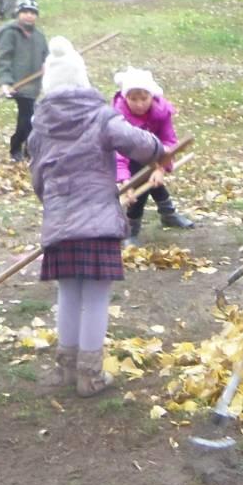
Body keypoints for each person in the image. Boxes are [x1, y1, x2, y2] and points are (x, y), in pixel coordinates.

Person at [28, 37, 169, 396]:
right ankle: (89, 376)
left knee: (68, 294)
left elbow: (37, 176)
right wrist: (157, 149)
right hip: (97, 223)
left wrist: (55, 203)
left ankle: (66, 368)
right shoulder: (100, 116)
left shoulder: (40, 125)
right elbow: (138, 143)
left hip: (60, 222)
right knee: (94, 298)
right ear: (82, 81)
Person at [112, 66, 193, 236]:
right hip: (129, 157)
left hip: (156, 155)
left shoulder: (161, 113)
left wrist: (161, 168)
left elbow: (169, 141)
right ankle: (132, 227)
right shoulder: (118, 119)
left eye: (144, 98)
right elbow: (118, 152)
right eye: (133, 99)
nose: (139, 104)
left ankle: (168, 214)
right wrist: (125, 181)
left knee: (153, 179)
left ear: (152, 95)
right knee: (139, 183)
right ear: (125, 97)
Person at [0, 0, 48, 163]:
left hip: (34, 85)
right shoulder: (10, 34)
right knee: (27, 118)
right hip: (18, 85)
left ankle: (27, 149)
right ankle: (17, 148)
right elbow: (4, 59)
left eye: (32, 12)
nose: (29, 15)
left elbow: (46, 56)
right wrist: (5, 82)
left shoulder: (39, 36)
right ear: (18, 13)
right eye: (25, 12)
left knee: (31, 119)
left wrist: (48, 64)